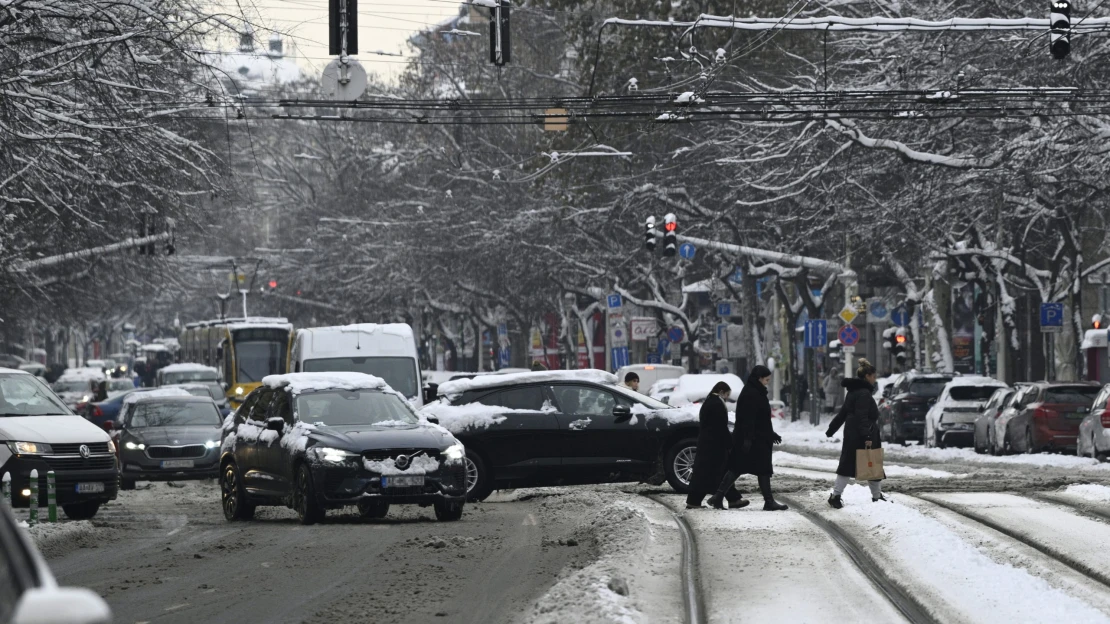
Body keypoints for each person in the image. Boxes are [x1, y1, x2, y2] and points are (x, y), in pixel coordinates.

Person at [710, 365, 786, 511]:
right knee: (746, 468)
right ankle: (767, 501)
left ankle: (719, 497)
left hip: (756, 438)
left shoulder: (755, 391)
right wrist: (748, 439)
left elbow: (761, 419)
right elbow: (748, 419)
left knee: (749, 468)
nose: (767, 382)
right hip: (752, 440)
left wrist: (771, 434)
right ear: (759, 378)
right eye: (766, 379)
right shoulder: (752, 393)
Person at [825, 358, 887, 508]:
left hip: (852, 433)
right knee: (872, 463)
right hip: (864, 433)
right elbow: (862, 417)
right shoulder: (864, 394)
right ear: (867, 376)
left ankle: (836, 495)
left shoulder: (853, 392)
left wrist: (831, 429)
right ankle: (876, 497)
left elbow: (843, 414)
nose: (875, 379)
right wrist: (867, 436)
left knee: (848, 465)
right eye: (873, 376)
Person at [685, 381, 744, 509]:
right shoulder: (716, 404)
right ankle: (731, 499)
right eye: (727, 395)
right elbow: (721, 427)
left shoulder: (710, 401)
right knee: (715, 472)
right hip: (714, 445)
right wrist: (730, 443)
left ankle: (731, 499)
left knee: (710, 473)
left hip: (708, 443)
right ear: (722, 392)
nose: (727, 398)